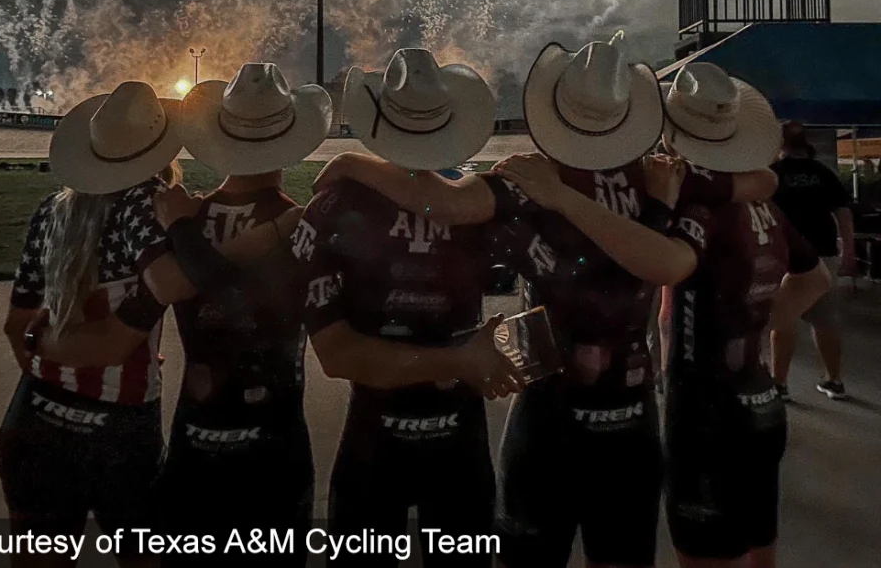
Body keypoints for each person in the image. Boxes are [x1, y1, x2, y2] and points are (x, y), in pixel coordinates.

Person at [316, 39, 780, 568]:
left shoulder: (535, 179)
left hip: (548, 414)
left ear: (554, 110)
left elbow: (444, 202)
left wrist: (356, 163)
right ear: (627, 112)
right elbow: (764, 179)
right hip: (630, 417)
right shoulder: (660, 175)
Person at [293, 48, 525, 567]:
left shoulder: (335, 205)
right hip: (457, 445)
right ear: (450, 122)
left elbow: (337, 354)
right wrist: (463, 360)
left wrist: (354, 163)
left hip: (373, 441)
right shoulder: (484, 200)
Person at [0, 81, 184, 568]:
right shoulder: (144, 202)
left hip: (33, 414)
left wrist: (49, 351)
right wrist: (118, 341)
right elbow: (168, 280)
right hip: (119, 427)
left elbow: (18, 326)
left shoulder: (52, 210)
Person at [153, 63, 333, 564]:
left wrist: (186, 234)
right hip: (273, 446)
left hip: (194, 433)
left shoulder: (185, 218)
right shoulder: (297, 222)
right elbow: (254, 302)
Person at [660, 64, 831, 568]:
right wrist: (764, 324)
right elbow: (817, 278)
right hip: (759, 400)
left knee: (706, 556)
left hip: (703, 408)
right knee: (759, 547)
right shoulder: (763, 206)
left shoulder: (694, 204)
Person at [770, 119, 855, 400]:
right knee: (826, 320)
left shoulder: (773, 174)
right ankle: (835, 380)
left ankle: (779, 384)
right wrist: (849, 250)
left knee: (784, 320)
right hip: (825, 254)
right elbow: (842, 213)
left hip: (786, 257)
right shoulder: (823, 173)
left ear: (779, 143)